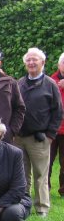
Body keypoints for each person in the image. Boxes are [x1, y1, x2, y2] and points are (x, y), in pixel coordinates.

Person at [15, 47, 62, 217]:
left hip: (39, 138)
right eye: (28, 60)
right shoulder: (19, 83)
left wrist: (50, 135)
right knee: (21, 174)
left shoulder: (50, 84)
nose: (31, 63)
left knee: (41, 175)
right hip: (19, 138)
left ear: (43, 62)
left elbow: (58, 112)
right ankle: (23, 204)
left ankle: (42, 207)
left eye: (35, 59)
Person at [49, 52, 64, 197]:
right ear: (59, 65)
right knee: (47, 161)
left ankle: (63, 189)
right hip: (52, 129)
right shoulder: (51, 81)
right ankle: (44, 188)